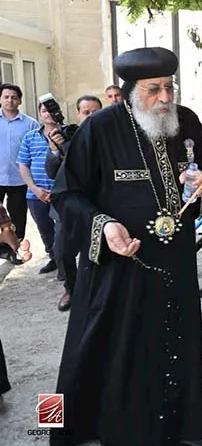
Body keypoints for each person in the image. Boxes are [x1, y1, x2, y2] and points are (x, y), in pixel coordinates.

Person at [49, 47, 202, 446]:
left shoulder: (185, 121)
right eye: (154, 89)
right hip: (120, 262)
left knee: (178, 341)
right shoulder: (100, 128)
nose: (165, 97)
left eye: (170, 87)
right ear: (132, 91)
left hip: (175, 258)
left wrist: (200, 182)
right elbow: (66, 194)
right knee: (109, 345)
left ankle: (190, 428)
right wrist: (104, 225)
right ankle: (85, 427)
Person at [46, 95, 102, 311]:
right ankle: (71, 289)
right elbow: (52, 172)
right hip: (67, 208)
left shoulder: (109, 138)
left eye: (95, 112)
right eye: (86, 112)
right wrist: (55, 150)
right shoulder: (67, 137)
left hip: (98, 207)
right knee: (62, 252)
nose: (91, 116)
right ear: (78, 114)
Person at [18, 101, 59, 274]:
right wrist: (34, 189)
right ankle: (54, 259)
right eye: (44, 111)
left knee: (65, 231)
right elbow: (23, 165)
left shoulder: (68, 133)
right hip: (36, 194)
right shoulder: (30, 137)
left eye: (51, 110)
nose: (48, 114)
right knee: (45, 231)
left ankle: (67, 262)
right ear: (40, 114)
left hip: (62, 193)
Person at [0, 83, 39, 264]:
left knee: (18, 217)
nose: (10, 100)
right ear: (0, 99)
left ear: (20, 101)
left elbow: (35, 151)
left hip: (20, 179)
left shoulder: (30, 124)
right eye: (6, 97)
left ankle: (14, 250)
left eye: (14, 97)